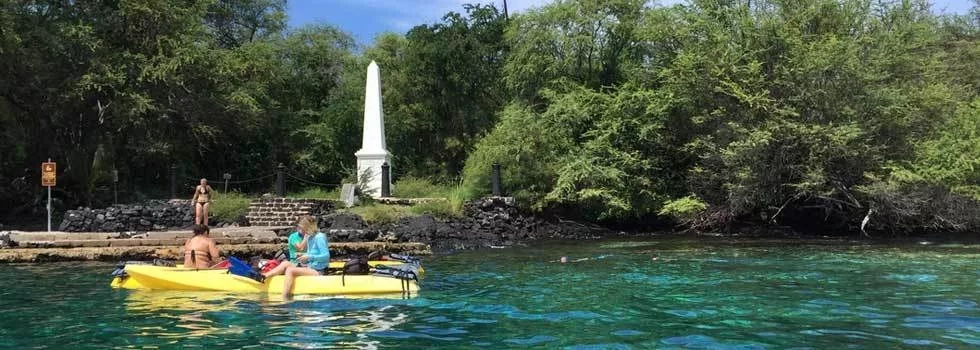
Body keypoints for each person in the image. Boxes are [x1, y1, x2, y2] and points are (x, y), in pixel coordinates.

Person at [280, 216, 329, 298]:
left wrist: (309, 257)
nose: (302, 231)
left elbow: (326, 256)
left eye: (303, 228)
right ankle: (264, 277)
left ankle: (284, 297)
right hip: (311, 267)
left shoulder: (319, 237)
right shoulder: (310, 238)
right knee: (286, 264)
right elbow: (312, 253)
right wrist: (303, 256)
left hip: (319, 270)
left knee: (290, 270)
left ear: (309, 227)